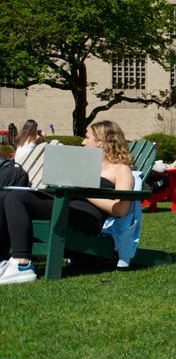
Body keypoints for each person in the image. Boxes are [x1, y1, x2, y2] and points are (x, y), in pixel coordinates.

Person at [0, 121, 139, 284]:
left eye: (87, 138)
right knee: (4, 195)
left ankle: (22, 263)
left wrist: (82, 191)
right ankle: (3, 259)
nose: (83, 142)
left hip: (88, 216)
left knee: (17, 197)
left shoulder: (121, 169)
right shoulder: (84, 164)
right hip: (65, 204)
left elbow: (121, 209)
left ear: (101, 141)